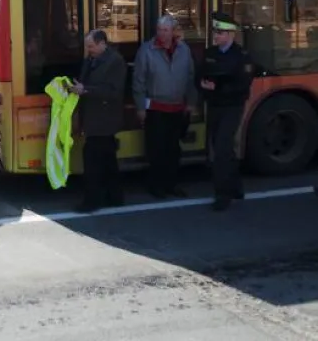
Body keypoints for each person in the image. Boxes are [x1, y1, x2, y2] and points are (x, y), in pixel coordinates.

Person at [133, 14, 199, 199]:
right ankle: (156, 186)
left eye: (165, 30)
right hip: (155, 108)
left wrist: (191, 103)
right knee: (157, 150)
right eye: (159, 30)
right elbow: (138, 81)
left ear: (173, 31)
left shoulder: (184, 50)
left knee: (173, 150)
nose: (162, 34)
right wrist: (140, 107)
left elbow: (190, 77)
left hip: (177, 108)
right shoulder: (146, 51)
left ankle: (172, 184)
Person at [200, 12, 254, 212]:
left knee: (221, 150)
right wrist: (203, 85)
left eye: (220, 32)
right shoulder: (210, 53)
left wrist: (219, 89)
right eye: (215, 31)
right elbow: (201, 74)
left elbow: (243, 84)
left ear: (231, 34)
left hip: (232, 107)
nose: (216, 35)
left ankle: (223, 194)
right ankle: (236, 186)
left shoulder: (242, 56)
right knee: (223, 147)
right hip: (214, 106)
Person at [69, 29, 127, 212]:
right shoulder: (91, 60)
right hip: (93, 117)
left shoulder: (116, 62)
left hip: (104, 119)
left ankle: (92, 201)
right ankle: (115, 196)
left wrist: (85, 89)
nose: (89, 50)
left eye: (91, 46)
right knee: (108, 160)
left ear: (103, 44)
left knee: (93, 162)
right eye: (87, 46)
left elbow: (114, 91)